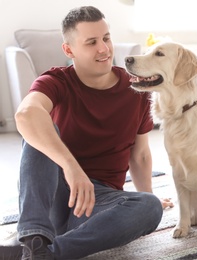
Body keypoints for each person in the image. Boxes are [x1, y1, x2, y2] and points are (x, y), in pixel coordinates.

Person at [15, 6, 173, 260]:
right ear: (69, 50)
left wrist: (149, 194)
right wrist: (71, 167)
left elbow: (140, 155)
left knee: (149, 207)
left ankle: (41, 253)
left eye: (106, 38)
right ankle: (34, 237)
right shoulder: (57, 81)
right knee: (38, 126)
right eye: (91, 42)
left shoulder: (136, 90)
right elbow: (25, 115)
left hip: (97, 203)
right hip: (56, 193)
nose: (104, 49)